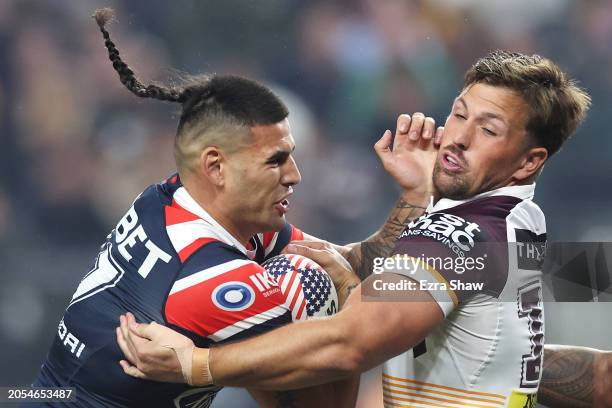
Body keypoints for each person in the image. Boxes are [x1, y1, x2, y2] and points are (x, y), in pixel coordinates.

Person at [115, 51, 611, 407]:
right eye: (459, 113)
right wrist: (416, 202)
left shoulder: (467, 238)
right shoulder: (519, 224)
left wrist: (197, 365)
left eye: (488, 129)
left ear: (529, 162)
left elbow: (350, 343)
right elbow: (445, 284)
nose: (456, 137)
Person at [32, 8, 435, 407]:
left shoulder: (173, 198)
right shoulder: (211, 279)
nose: (294, 175)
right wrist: (340, 290)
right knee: (305, 284)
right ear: (216, 167)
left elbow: (348, 259)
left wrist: (414, 197)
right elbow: (341, 367)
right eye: (275, 160)